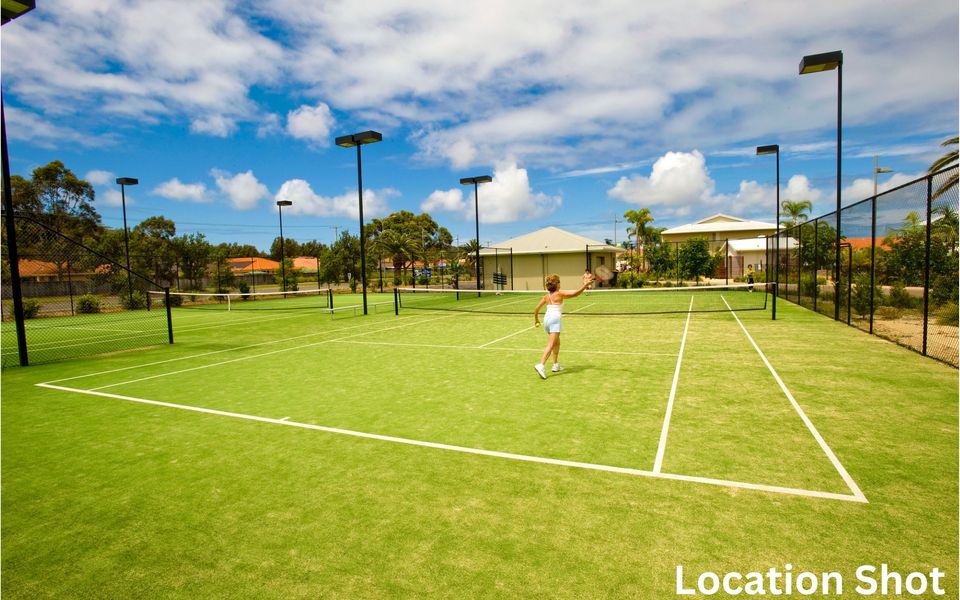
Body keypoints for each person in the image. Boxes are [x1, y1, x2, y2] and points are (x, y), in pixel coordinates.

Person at [533, 271, 595, 379]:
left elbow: (536, 309)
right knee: (551, 344)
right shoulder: (559, 293)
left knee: (557, 343)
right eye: (559, 282)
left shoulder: (546, 296)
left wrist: (536, 320)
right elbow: (575, 294)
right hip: (555, 320)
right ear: (556, 284)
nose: (560, 283)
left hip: (546, 320)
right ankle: (541, 365)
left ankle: (555, 365)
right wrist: (585, 285)